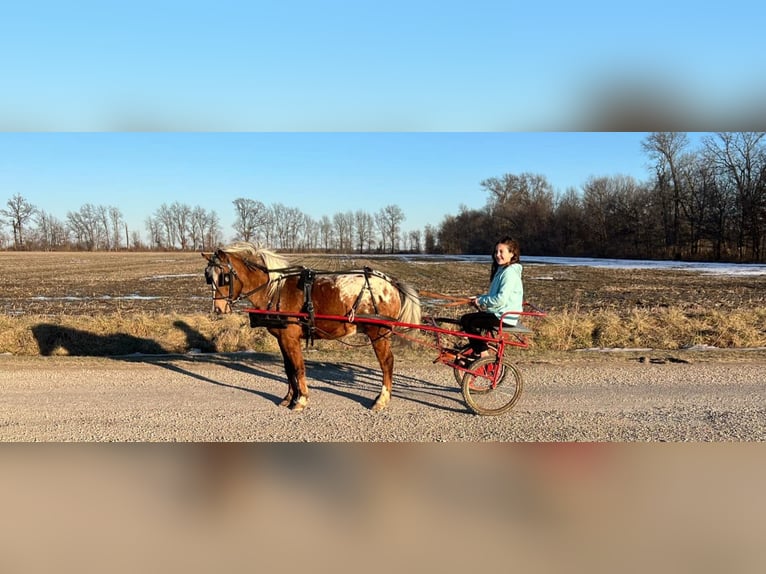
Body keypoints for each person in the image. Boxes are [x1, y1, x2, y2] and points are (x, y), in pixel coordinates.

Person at [459, 237, 524, 358]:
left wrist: (481, 300)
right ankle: (479, 350)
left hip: (504, 316)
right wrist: (479, 298)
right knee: (468, 320)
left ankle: (482, 352)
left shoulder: (509, 273)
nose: (497, 255)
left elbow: (500, 299)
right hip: (499, 312)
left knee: (467, 320)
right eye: (496, 252)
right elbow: (494, 296)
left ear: (512, 254)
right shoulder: (502, 270)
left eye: (501, 252)